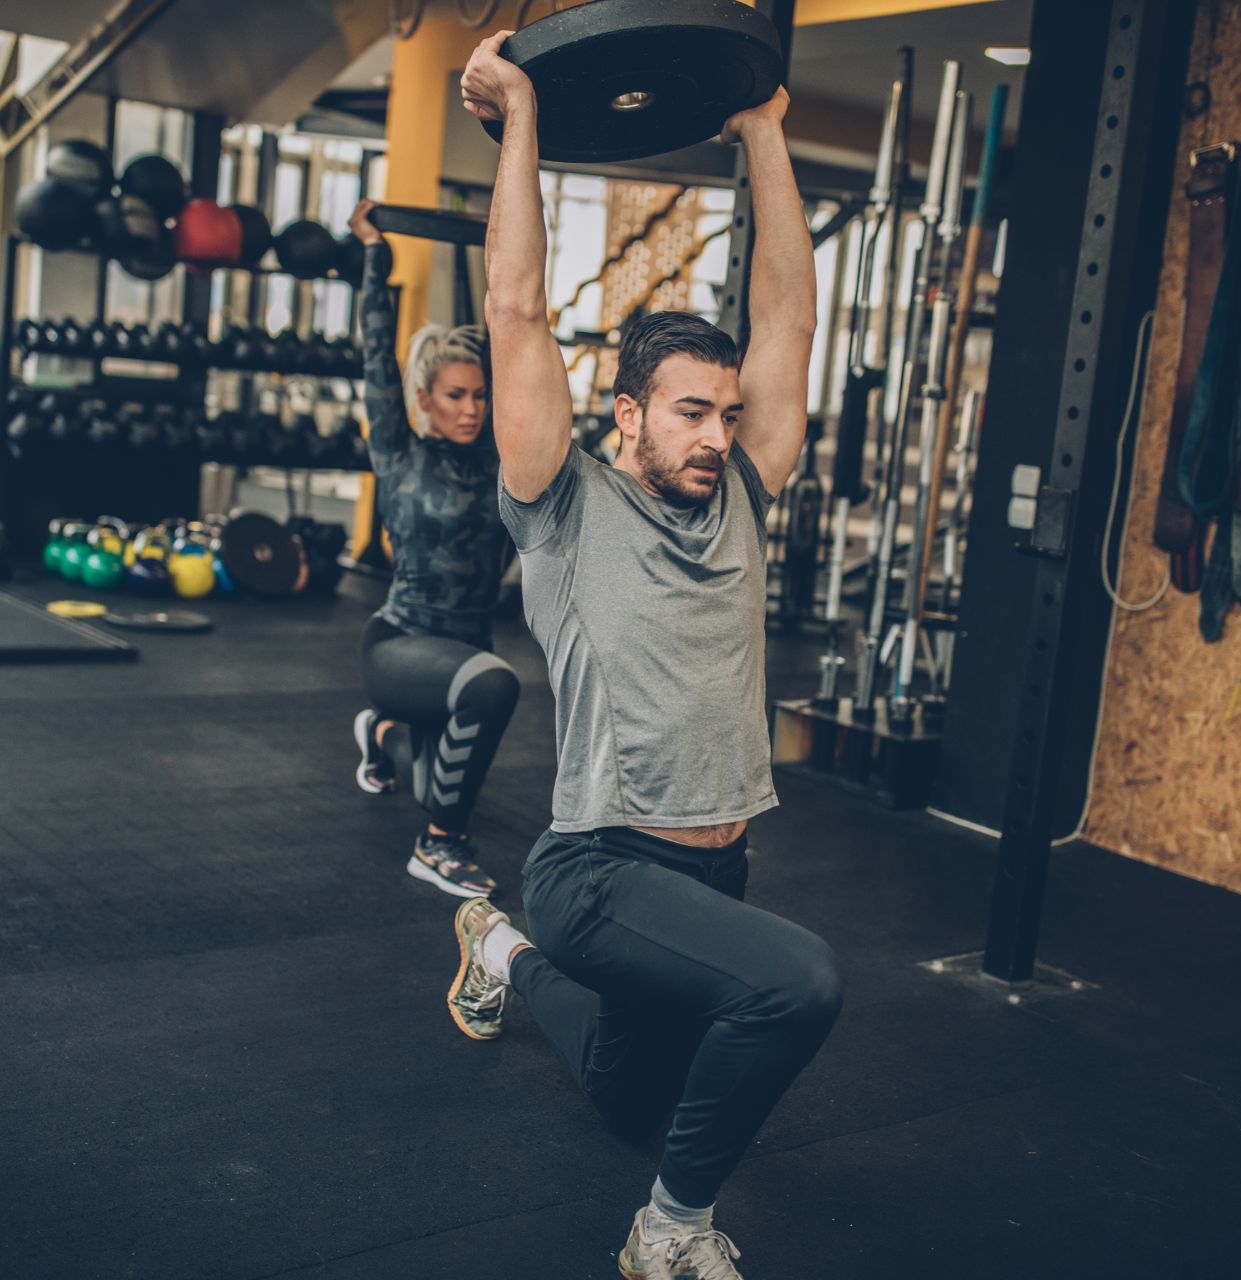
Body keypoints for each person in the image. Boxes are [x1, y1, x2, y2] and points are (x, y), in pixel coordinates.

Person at [443, 32, 843, 1279]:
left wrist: (765, 131)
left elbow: (788, 310)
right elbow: (511, 308)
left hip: (711, 873)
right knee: (795, 986)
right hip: (600, 865)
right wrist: (519, 117)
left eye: (728, 414)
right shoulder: (559, 502)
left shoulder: (744, 498)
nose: (719, 433)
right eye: (689, 410)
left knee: (627, 1101)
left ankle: (499, 948)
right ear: (626, 411)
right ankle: (671, 1226)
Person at [347, 198, 522, 898]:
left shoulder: (501, 464)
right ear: (426, 398)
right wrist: (372, 256)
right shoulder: (396, 451)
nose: (472, 407)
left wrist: (513, 258)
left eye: (481, 394)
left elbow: (521, 347)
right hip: (400, 646)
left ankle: (380, 735)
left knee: (430, 775)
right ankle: (438, 844)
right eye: (456, 395)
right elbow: (373, 357)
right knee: (494, 683)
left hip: (457, 655)